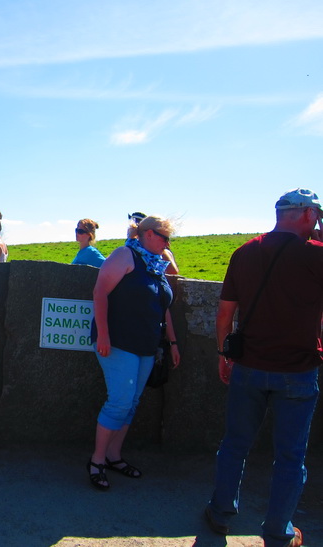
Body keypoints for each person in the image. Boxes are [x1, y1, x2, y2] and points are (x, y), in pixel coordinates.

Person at [204, 188, 323, 547]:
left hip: (249, 366)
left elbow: (224, 314)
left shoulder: (245, 252)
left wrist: (224, 354)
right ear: (308, 215)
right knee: (290, 456)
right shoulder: (316, 255)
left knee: (235, 444)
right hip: (298, 370)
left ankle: (221, 513)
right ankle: (277, 532)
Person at [88, 215, 181, 490]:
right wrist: (103, 335)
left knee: (132, 402)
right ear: (149, 234)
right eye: (165, 238)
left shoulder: (155, 264)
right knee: (119, 402)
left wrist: (173, 343)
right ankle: (97, 460)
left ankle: (114, 456)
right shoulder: (124, 255)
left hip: (146, 345)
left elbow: (163, 307)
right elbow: (99, 292)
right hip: (118, 342)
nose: (168, 244)